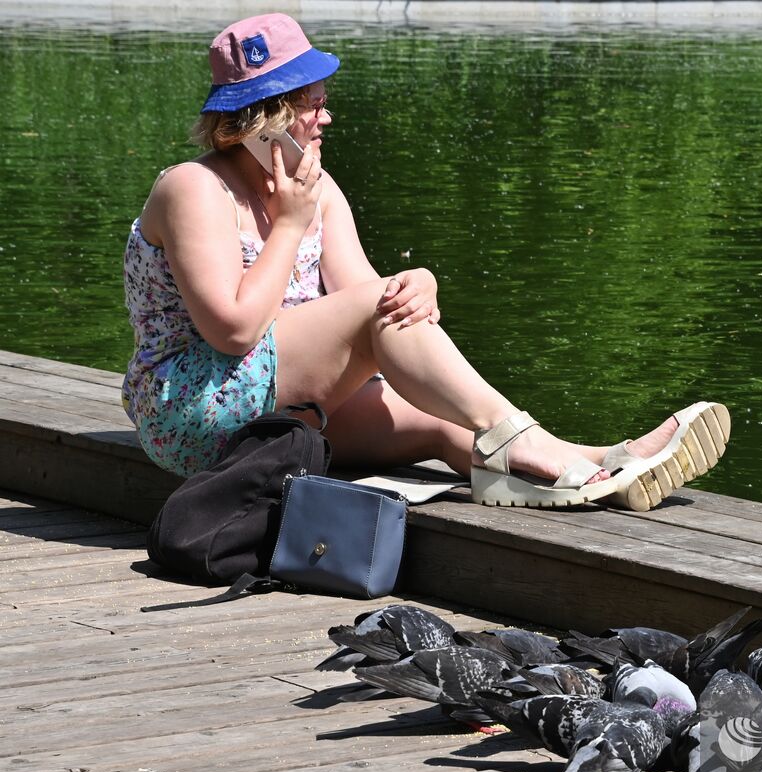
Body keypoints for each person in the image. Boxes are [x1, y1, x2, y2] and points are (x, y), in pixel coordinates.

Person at [121, 13, 728, 510]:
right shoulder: (193, 189)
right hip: (191, 410)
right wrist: (289, 225)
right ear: (266, 116)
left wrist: (420, 282)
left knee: (439, 425)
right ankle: (526, 439)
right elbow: (231, 332)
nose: (326, 116)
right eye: (313, 104)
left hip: (279, 400)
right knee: (383, 318)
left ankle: (605, 466)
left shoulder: (317, 187)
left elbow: (373, 304)